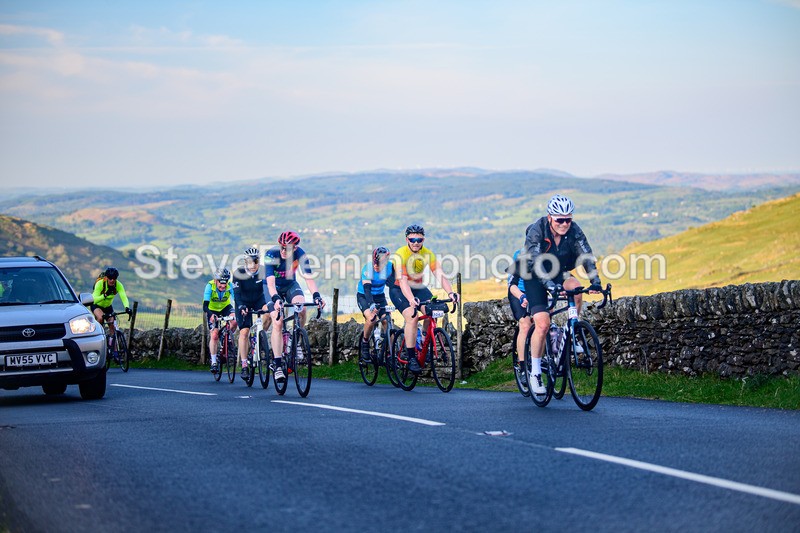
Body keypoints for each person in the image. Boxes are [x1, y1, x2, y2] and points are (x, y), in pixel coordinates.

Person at [517, 194, 602, 394]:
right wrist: (549, 285)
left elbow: (586, 255)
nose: (564, 224)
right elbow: (535, 261)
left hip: (558, 271)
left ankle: (572, 332)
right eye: (559, 220)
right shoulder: (537, 230)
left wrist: (596, 281)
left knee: (576, 288)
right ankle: (535, 372)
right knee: (542, 324)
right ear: (550, 218)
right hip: (534, 275)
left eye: (568, 219)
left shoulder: (574, 230)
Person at [389, 224, 459, 374]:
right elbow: (402, 281)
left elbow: (440, 275)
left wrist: (451, 293)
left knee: (433, 310)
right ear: (407, 239)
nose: (416, 243)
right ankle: (411, 357)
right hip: (399, 289)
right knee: (412, 317)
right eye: (412, 239)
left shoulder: (427, 254)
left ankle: (423, 341)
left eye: (419, 240)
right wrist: (410, 299)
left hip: (418, 287)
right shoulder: (400, 254)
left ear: (423, 240)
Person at [264, 231, 326, 384]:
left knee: (302, 308)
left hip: (290, 285)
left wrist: (317, 296)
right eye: (282, 247)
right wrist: (276, 299)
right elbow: (270, 284)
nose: (284, 251)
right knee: (277, 321)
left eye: (288, 249)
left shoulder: (300, 254)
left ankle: (296, 341)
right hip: (271, 288)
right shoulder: (271, 254)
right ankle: (278, 365)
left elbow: (309, 279)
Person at [231, 248, 268, 382]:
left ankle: (261, 337)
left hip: (259, 300)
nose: (253, 265)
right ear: (245, 262)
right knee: (244, 332)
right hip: (243, 302)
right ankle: (244, 364)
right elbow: (237, 293)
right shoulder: (239, 273)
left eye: (256, 261)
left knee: (269, 313)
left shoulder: (263, 271)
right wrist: (241, 306)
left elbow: (268, 290)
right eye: (250, 262)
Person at [356, 246, 394, 363]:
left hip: (380, 296)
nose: (376, 266)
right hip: (364, 296)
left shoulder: (390, 267)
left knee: (387, 321)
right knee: (372, 318)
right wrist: (371, 304)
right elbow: (367, 290)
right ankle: (365, 343)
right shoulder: (368, 269)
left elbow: (393, 285)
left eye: (379, 264)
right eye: (375, 263)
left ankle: (391, 353)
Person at [203, 267, 236, 375]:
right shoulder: (209, 286)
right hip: (212, 310)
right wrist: (211, 315)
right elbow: (205, 306)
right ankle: (213, 362)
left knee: (235, 320)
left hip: (225, 307)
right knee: (214, 335)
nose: (223, 287)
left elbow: (237, 300)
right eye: (220, 284)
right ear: (215, 281)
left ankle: (227, 336)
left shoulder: (230, 286)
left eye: (225, 284)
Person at [507, 249, 532, 385]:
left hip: (537, 291)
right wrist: (522, 296)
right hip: (519, 291)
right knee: (525, 325)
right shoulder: (521, 253)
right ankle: (523, 368)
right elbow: (512, 284)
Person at [91, 267, 131, 347]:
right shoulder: (100, 284)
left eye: (114, 278)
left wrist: (127, 307)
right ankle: (97, 337)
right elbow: (94, 300)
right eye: (110, 278)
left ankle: (111, 346)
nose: (112, 280)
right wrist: (105, 295)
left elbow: (124, 297)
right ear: (106, 278)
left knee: (112, 325)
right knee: (100, 318)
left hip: (108, 307)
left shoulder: (118, 285)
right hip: (97, 305)